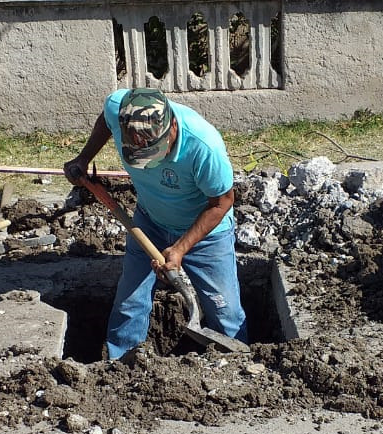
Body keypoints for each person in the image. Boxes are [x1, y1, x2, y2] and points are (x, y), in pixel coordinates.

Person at [63, 88, 248, 359]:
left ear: (172, 126)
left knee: (225, 311)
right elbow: (105, 119)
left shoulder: (204, 146)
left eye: (154, 152)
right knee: (130, 303)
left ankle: (238, 367)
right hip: (148, 223)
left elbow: (221, 203)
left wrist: (181, 248)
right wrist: (84, 157)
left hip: (206, 235)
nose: (149, 164)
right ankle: (120, 367)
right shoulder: (119, 107)